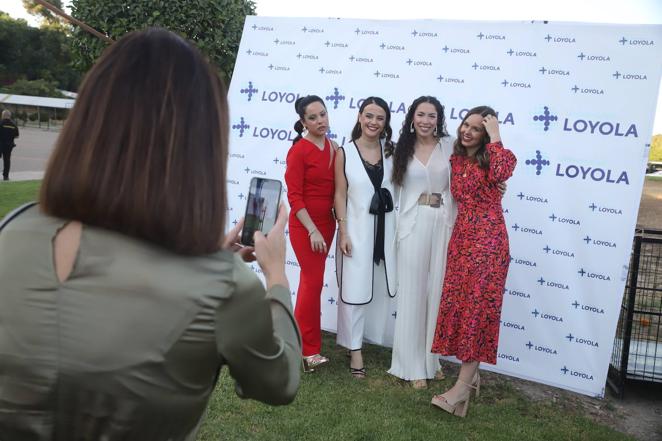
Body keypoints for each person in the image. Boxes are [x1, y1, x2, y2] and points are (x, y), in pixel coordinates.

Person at [0, 28, 301, 441]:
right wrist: (277, 277)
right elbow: (279, 381)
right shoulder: (226, 287)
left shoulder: (13, 229)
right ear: (201, 147)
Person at [431, 106, 517, 417]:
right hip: (462, 241)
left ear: (485, 135)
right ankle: (468, 385)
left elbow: (502, 172)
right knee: (464, 310)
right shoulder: (455, 158)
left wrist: (496, 135)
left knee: (478, 313)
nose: (467, 131)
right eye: (465, 125)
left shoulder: (498, 158)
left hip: (489, 244)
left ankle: (460, 390)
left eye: (476, 129)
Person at [387, 96, 457, 389]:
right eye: (421, 114)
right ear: (412, 118)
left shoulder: (450, 145)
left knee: (437, 294)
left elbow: (469, 176)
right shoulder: (399, 150)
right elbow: (389, 190)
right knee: (413, 294)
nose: (426, 120)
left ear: (439, 119)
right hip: (412, 225)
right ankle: (411, 365)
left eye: (432, 115)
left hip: (442, 223)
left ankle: (431, 360)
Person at [334, 97, 397, 378]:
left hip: (386, 230)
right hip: (356, 230)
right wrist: (343, 231)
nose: (373, 122)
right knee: (354, 291)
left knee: (380, 290)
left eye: (380, 118)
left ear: (386, 123)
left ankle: (362, 340)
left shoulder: (393, 151)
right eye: (369, 116)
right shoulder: (344, 152)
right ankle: (354, 350)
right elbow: (339, 193)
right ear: (360, 117)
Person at [285, 95, 337, 372]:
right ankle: (309, 351)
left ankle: (295, 343)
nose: (320, 121)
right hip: (306, 227)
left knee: (309, 283)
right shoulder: (299, 151)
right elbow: (295, 197)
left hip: (327, 225)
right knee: (313, 283)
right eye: (313, 117)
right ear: (303, 122)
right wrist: (313, 229)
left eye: (323, 114)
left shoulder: (334, 146)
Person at [0, 109, 19, 181]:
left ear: (3, 115)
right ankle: (6, 176)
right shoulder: (14, 125)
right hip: (9, 145)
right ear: (9, 116)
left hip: (1, 144)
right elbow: (17, 136)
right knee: (7, 160)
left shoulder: (0, 123)